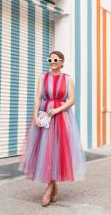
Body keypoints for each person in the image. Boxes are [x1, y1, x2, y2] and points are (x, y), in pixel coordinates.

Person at [19, 50, 87, 207]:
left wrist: (58, 109)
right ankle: (53, 187)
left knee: (55, 151)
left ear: (62, 62)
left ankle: (49, 190)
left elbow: (72, 100)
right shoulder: (42, 77)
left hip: (61, 117)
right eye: (50, 59)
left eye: (56, 59)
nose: (53, 61)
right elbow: (38, 97)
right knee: (46, 151)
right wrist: (36, 116)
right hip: (45, 117)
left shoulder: (68, 79)